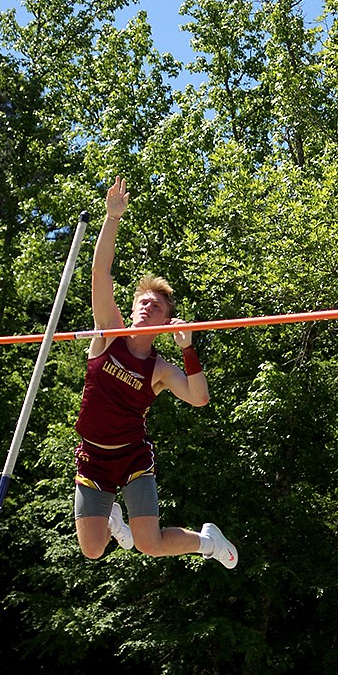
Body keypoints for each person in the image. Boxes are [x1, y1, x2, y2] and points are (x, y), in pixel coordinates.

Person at [73, 175, 237, 569]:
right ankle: (112, 516)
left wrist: (187, 348)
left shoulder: (159, 369)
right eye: (143, 302)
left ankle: (207, 541)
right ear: (131, 310)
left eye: (157, 307)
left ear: (166, 321)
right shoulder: (108, 335)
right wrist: (112, 218)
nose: (148, 308)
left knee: (150, 544)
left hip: (131, 459)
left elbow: (199, 397)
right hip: (92, 459)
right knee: (92, 550)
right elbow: (100, 275)